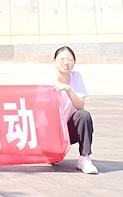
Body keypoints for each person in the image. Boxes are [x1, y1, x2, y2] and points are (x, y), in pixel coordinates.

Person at [42, 46, 98, 174]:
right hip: (52, 130)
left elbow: (80, 106)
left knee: (83, 115)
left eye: (70, 60)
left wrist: (68, 89)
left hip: (69, 129)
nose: (66, 63)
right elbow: (42, 112)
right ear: (54, 62)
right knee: (53, 158)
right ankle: (52, 150)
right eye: (62, 60)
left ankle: (84, 158)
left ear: (74, 62)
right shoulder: (47, 80)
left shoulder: (76, 77)